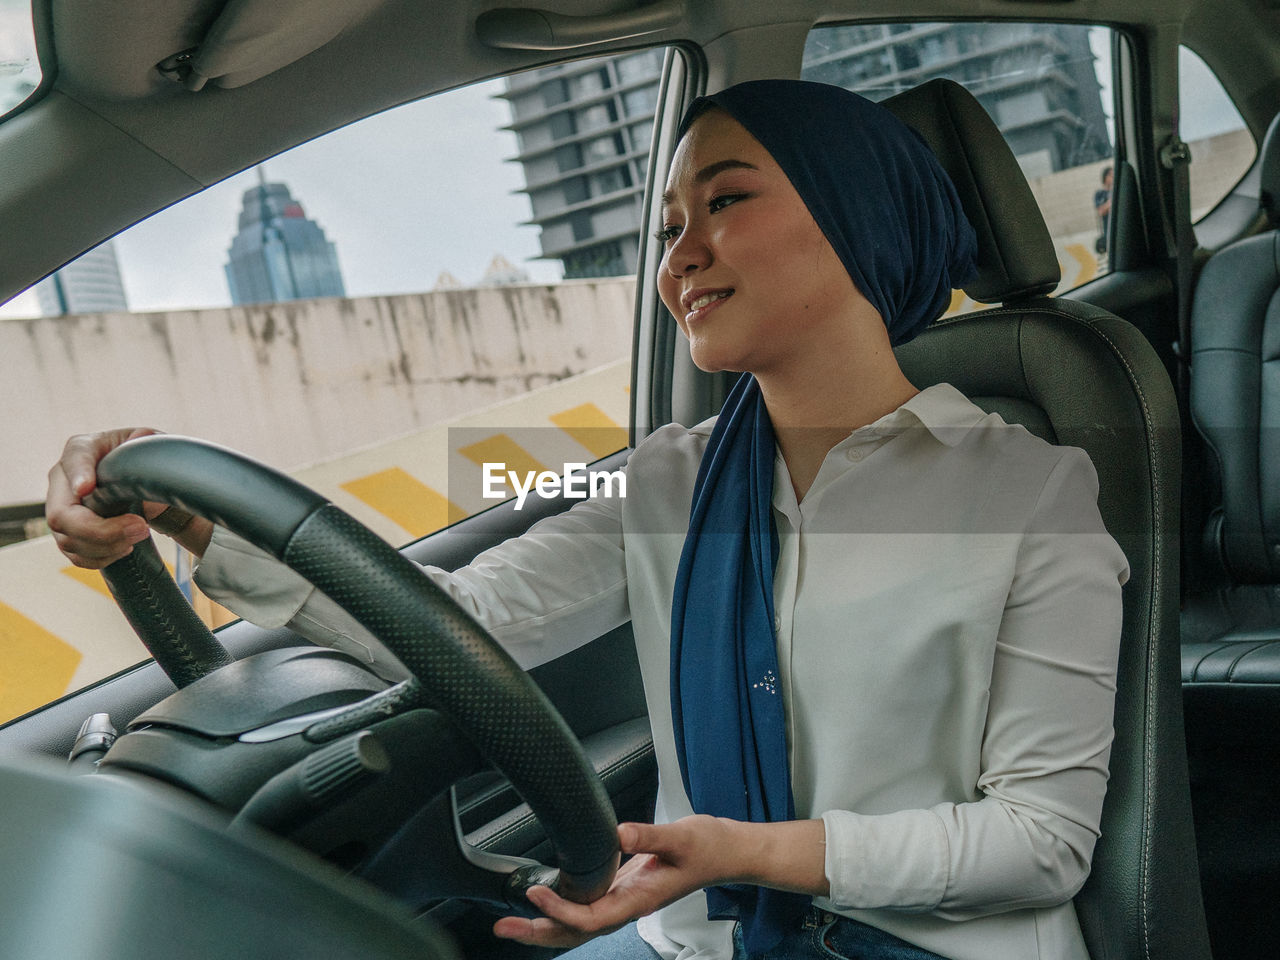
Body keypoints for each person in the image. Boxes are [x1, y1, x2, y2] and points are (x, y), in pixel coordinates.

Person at [47, 80, 1128, 960]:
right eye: (668, 226)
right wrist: (194, 524)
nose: (679, 256)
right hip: (697, 940)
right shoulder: (662, 483)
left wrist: (749, 853)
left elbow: (1038, 845)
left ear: (857, 216)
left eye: (726, 201)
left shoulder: (1030, 494)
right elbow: (453, 621)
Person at [1094, 165, 1113, 255]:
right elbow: (1101, 211)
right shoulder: (1100, 194)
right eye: (1111, 175)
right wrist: (1110, 203)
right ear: (1105, 177)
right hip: (1107, 231)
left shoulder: (1116, 191)